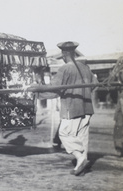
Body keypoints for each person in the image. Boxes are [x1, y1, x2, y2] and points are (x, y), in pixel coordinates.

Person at [27, 41, 98, 176]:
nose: (63, 57)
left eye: (63, 55)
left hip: (72, 108)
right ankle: (81, 165)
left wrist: (37, 91)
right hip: (87, 107)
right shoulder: (85, 68)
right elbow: (95, 83)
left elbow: (54, 89)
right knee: (82, 137)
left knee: (64, 134)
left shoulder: (65, 69)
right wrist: (85, 93)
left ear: (65, 54)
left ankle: (80, 157)